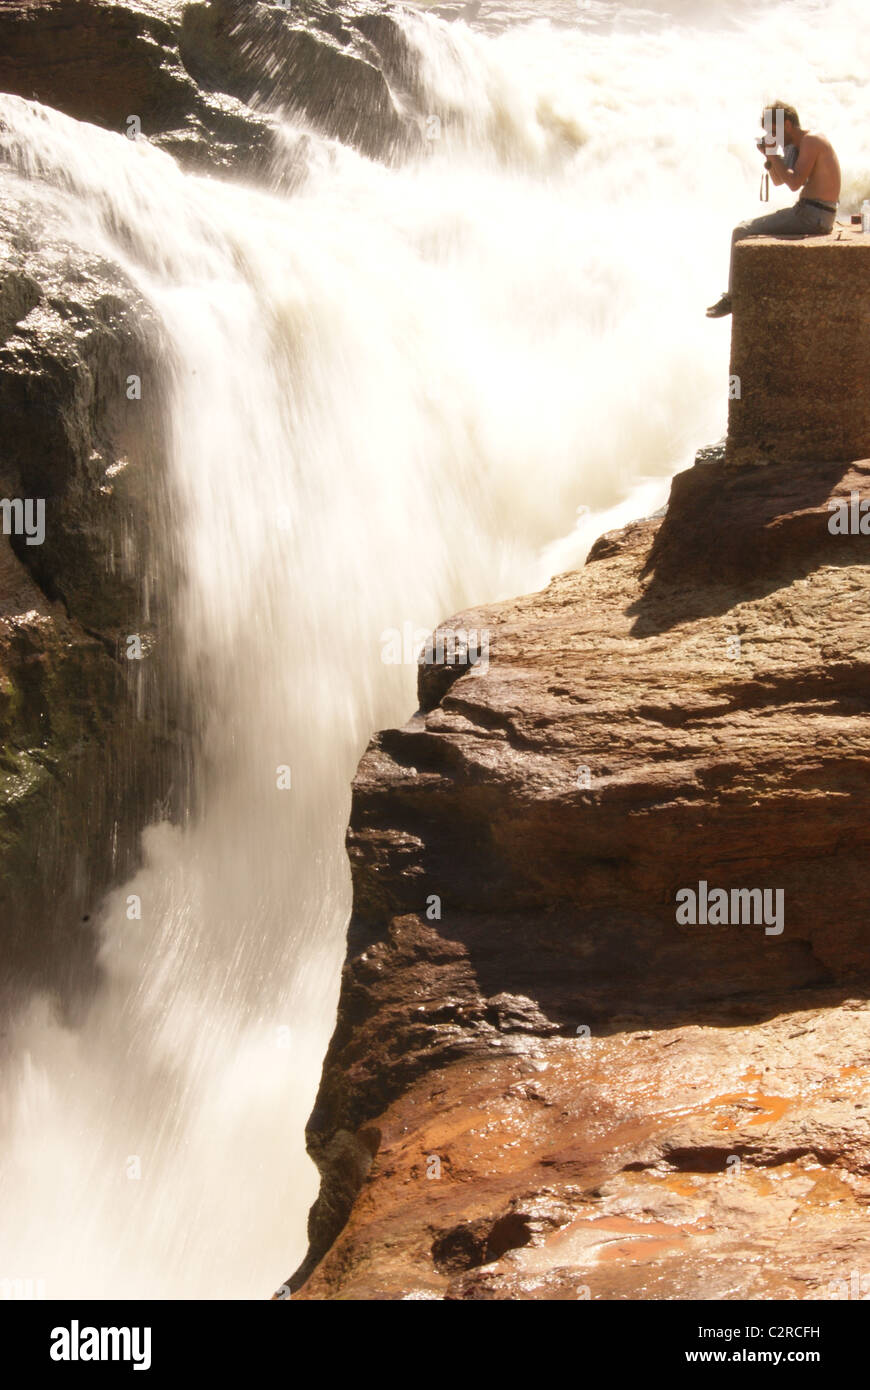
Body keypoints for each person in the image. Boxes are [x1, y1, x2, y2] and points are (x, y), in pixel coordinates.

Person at [706, 102, 841, 318]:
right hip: (812, 213)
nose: (772, 136)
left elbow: (795, 182)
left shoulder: (811, 140)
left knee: (740, 230)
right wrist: (769, 156)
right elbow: (780, 181)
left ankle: (732, 298)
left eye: (773, 131)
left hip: (813, 214)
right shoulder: (793, 145)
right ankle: (735, 295)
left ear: (787, 124)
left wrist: (772, 153)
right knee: (746, 229)